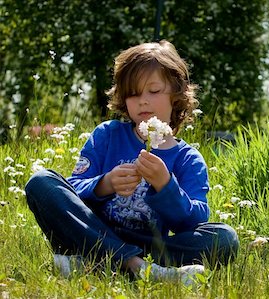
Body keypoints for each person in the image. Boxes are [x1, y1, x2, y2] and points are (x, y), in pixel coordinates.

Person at [25, 40, 239, 285]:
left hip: (150, 243)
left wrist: (166, 186)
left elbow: (194, 222)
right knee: (41, 182)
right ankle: (141, 268)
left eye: (154, 91)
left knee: (225, 239)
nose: (143, 101)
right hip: (94, 230)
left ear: (177, 95)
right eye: (133, 94)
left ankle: (95, 262)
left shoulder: (188, 158)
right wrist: (105, 183)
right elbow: (73, 190)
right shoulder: (107, 134)